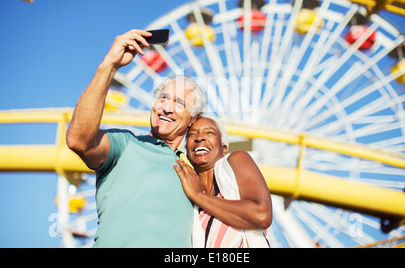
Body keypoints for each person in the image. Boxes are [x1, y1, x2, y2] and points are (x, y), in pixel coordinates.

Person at [66, 29, 205, 247]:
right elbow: (79, 140)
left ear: (193, 119)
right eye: (163, 98)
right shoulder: (126, 144)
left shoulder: (199, 169)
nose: (166, 108)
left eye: (179, 103)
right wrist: (109, 66)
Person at [174, 116, 272, 248]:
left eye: (209, 133)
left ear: (224, 148)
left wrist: (198, 196)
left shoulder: (236, 160)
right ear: (186, 150)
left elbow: (261, 215)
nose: (199, 138)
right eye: (192, 135)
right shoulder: (189, 205)